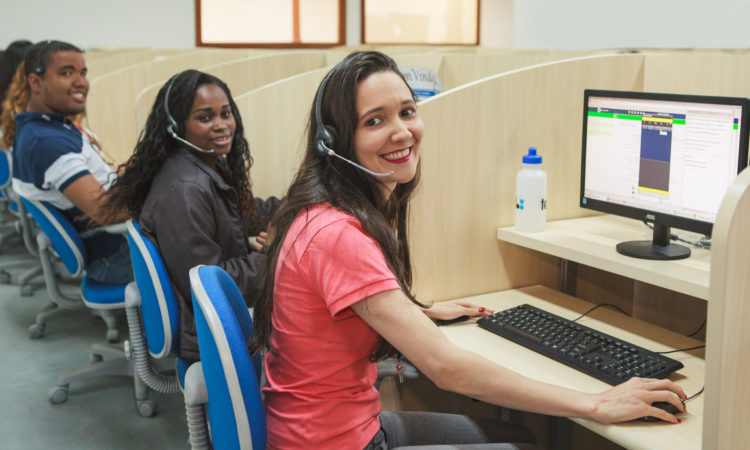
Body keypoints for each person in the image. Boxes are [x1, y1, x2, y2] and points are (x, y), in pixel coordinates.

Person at [251, 51, 687, 449]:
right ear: (336, 141)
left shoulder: (321, 213)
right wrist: (597, 402)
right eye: (375, 121)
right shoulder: (338, 235)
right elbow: (446, 369)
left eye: (407, 111)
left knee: (515, 434)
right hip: (336, 441)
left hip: (325, 426)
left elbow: (335, 311)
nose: (402, 131)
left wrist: (412, 312)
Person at [102, 69, 278, 361]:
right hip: (208, 328)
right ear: (175, 126)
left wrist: (295, 205)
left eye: (226, 113)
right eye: (205, 117)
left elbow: (242, 213)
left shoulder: (202, 167)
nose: (222, 125)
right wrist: (272, 254)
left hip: (213, 313)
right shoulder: (186, 190)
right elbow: (209, 283)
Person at [11, 40, 131, 284]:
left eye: (83, 73)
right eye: (67, 73)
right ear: (35, 82)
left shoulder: (43, 126)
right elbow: (107, 212)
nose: (81, 82)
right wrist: (162, 200)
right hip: (114, 254)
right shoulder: (48, 143)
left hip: (114, 242)